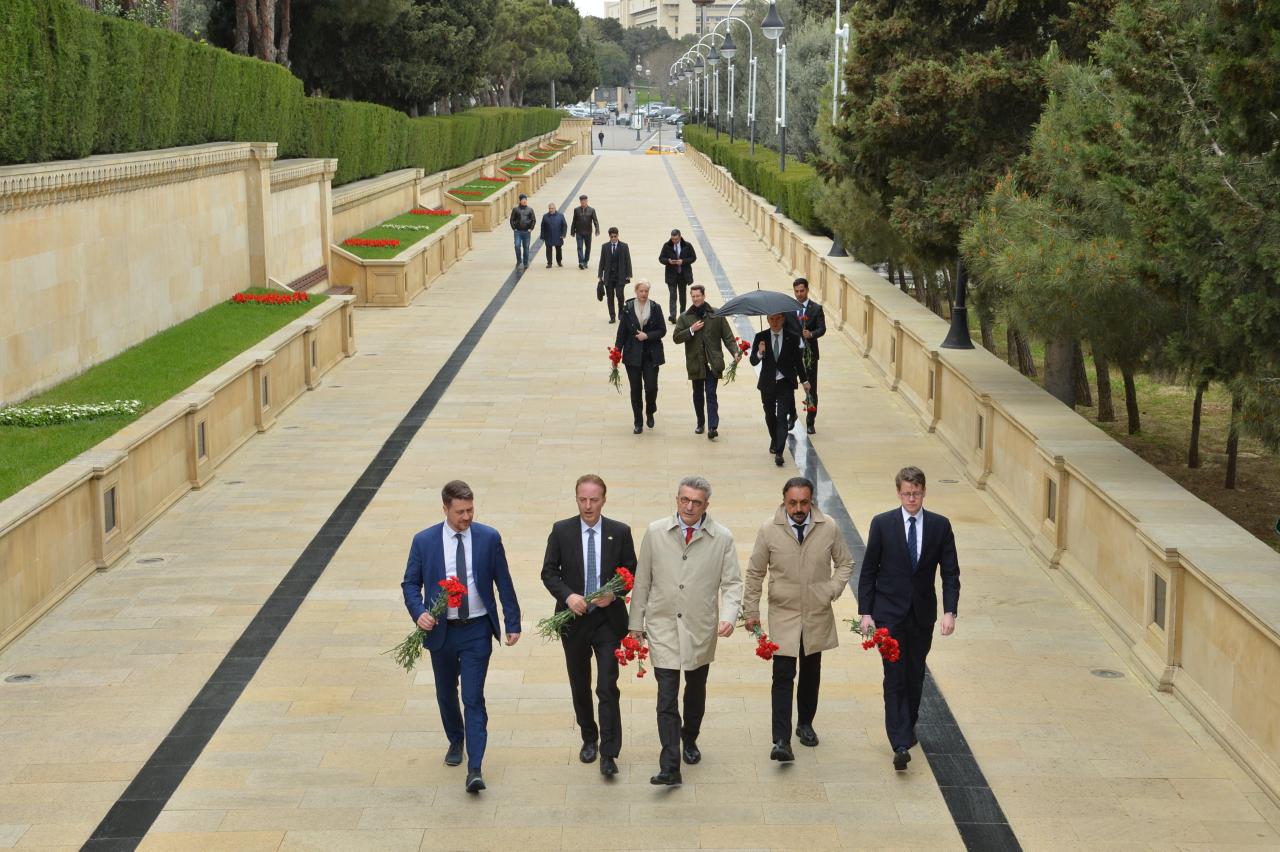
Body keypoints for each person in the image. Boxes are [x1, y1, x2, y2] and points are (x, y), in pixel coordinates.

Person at [400, 480, 522, 793]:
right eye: (460, 512)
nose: (466, 517)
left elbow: (503, 581)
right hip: (441, 631)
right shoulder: (424, 541)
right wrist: (419, 612)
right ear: (445, 509)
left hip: (477, 630)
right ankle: (456, 738)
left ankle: (475, 767)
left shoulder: (488, 537)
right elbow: (410, 584)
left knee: (473, 696)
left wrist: (513, 621)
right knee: (445, 692)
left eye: (470, 510)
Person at [629, 476, 744, 786]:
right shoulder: (655, 532)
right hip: (663, 624)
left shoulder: (721, 538)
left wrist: (730, 616)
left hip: (699, 626)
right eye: (684, 500)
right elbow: (643, 580)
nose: (689, 506)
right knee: (666, 696)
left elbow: (733, 582)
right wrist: (635, 624)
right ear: (676, 499)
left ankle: (689, 736)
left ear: (706, 505)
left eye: (696, 502)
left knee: (695, 689)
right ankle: (670, 764)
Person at [743, 477, 854, 762]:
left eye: (804, 502)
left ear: (812, 501)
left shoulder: (828, 526)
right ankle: (780, 739)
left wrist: (831, 589)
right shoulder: (769, 530)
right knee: (782, 674)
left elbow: (845, 563)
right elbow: (755, 572)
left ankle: (805, 723)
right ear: (784, 501)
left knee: (810, 672)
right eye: (793, 503)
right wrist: (751, 611)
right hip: (784, 613)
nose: (799, 508)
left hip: (816, 613)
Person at [857, 466, 960, 771]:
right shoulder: (883, 524)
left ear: (924, 491)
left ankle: (908, 725)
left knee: (914, 674)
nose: (911, 498)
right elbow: (869, 571)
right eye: (906, 493)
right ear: (898, 493)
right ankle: (899, 741)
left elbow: (950, 572)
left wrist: (949, 611)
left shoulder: (940, 526)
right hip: (888, 614)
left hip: (921, 614)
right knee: (894, 674)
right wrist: (866, 612)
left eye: (916, 493)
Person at [539, 475, 638, 779]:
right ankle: (589, 737)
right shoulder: (562, 531)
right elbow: (549, 572)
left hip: (608, 622)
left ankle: (609, 752)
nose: (588, 505)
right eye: (582, 499)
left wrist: (615, 592)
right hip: (574, 621)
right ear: (576, 499)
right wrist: (568, 596)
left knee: (607, 685)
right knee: (580, 684)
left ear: (604, 500)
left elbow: (631, 570)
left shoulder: (619, 532)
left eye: (594, 499)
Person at [672, 285, 740, 440]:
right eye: (693, 296)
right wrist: (691, 330)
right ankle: (700, 422)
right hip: (696, 362)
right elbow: (676, 338)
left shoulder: (716, 314)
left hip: (713, 362)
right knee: (697, 394)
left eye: (698, 296)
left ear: (704, 295)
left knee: (710, 393)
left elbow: (728, 337)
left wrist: (735, 351)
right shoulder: (684, 317)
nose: (696, 299)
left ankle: (712, 427)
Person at [749, 313, 811, 467]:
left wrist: (804, 380)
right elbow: (753, 361)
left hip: (785, 383)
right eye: (772, 319)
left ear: (783, 319)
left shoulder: (792, 337)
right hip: (767, 383)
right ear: (767, 320)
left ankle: (779, 452)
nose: (775, 322)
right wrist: (760, 352)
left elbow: (798, 361)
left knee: (782, 417)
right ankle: (775, 439)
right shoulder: (760, 337)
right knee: (770, 415)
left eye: (778, 319)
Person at [614, 280, 666, 433]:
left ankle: (650, 410)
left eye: (646, 291)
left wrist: (647, 335)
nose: (644, 294)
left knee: (651, 387)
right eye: (641, 291)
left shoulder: (655, 308)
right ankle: (638, 421)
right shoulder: (628, 308)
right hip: (633, 356)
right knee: (635, 389)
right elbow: (621, 332)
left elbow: (662, 330)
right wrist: (617, 352)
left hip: (651, 355)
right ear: (636, 292)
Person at [783, 277, 826, 434]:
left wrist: (811, 334)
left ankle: (810, 420)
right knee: (787, 386)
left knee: (810, 388)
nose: (799, 294)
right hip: (792, 355)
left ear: (807, 290)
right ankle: (792, 415)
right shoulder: (788, 309)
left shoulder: (816, 309)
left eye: (802, 291)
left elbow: (822, 329)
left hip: (809, 356)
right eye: (796, 291)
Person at [658, 229, 697, 322]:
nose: (674, 241)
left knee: (682, 296)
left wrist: (683, 261)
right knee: (672, 295)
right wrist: (668, 261)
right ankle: (673, 316)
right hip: (671, 275)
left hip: (683, 275)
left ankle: (682, 314)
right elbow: (661, 258)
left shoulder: (687, 245)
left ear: (680, 237)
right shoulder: (667, 246)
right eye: (672, 239)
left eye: (676, 239)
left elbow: (693, 257)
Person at [596, 226, 633, 323]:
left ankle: (621, 313)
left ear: (618, 236)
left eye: (615, 236)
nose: (613, 238)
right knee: (610, 297)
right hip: (609, 277)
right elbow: (602, 261)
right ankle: (612, 316)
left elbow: (628, 260)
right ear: (609, 236)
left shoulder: (624, 246)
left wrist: (629, 273)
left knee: (620, 295)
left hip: (620, 276)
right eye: (611, 236)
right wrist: (600, 274)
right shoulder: (605, 247)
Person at [570, 194, 601, 270]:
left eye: (584, 200)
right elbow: (574, 221)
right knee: (579, 247)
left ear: (587, 201)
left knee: (588, 248)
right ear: (580, 201)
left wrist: (597, 230)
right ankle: (581, 262)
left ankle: (585, 261)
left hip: (588, 232)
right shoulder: (576, 210)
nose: (583, 202)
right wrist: (572, 231)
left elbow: (595, 221)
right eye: (582, 201)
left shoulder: (592, 210)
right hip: (579, 232)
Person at [510, 194, 535, 269]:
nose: (524, 201)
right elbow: (512, 220)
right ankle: (519, 260)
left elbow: (533, 220)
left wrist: (531, 228)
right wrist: (514, 228)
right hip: (518, 232)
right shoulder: (515, 209)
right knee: (517, 246)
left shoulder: (530, 210)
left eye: (525, 200)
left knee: (526, 247)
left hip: (527, 232)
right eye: (523, 200)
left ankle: (525, 262)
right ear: (520, 201)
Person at [540, 202, 568, 268]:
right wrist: (542, 236)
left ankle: (559, 261)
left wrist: (563, 234)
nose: (551, 210)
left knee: (558, 250)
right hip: (548, 236)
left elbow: (564, 225)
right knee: (548, 250)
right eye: (550, 208)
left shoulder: (560, 216)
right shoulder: (545, 216)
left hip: (558, 236)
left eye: (552, 208)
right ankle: (549, 263)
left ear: (555, 208)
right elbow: (542, 226)